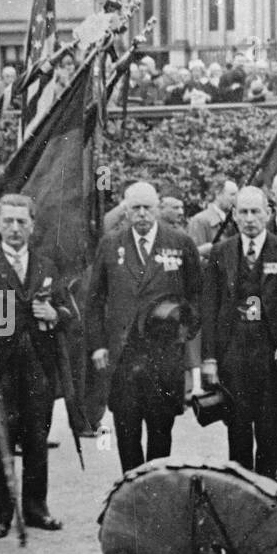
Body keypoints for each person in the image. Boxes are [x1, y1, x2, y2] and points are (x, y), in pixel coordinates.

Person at [86, 181, 202, 472]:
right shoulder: (111, 244)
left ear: (157, 208)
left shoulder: (180, 242)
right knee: (126, 432)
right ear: (125, 209)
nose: (141, 214)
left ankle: (157, 497)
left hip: (163, 358)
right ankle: (133, 496)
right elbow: (95, 300)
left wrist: (182, 333)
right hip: (124, 357)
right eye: (134, 208)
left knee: (161, 431)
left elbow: (197, 296)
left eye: (147, 208)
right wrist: (99, 344)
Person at [200, 185, 277, 478]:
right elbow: (209, 307)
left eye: (256, 211)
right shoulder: (220, 252)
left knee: (271, 431)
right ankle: (240, 494)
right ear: (234, 215)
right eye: (243, 212)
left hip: (272, 357)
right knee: (236, 429)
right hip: (233, 357)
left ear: (268, 213)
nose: (250, 218)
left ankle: (267, 495)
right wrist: (209, 358)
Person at [0, 193, 71, 536]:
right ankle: (3, 513)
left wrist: (54, 314)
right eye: (7, 222)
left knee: (37, 438)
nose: (14, 229)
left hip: (39, 368)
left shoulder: (47, 266)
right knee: (2, 438)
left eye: (21, 222)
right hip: (1, 369)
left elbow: (68, 312)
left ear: (32, 226)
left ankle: (35, 508)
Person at [186, 179, 238, 255]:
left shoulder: (233, 220)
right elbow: (193, 257)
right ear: (218, 194)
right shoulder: (199, 220)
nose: (236, 199)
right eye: (232, 194)